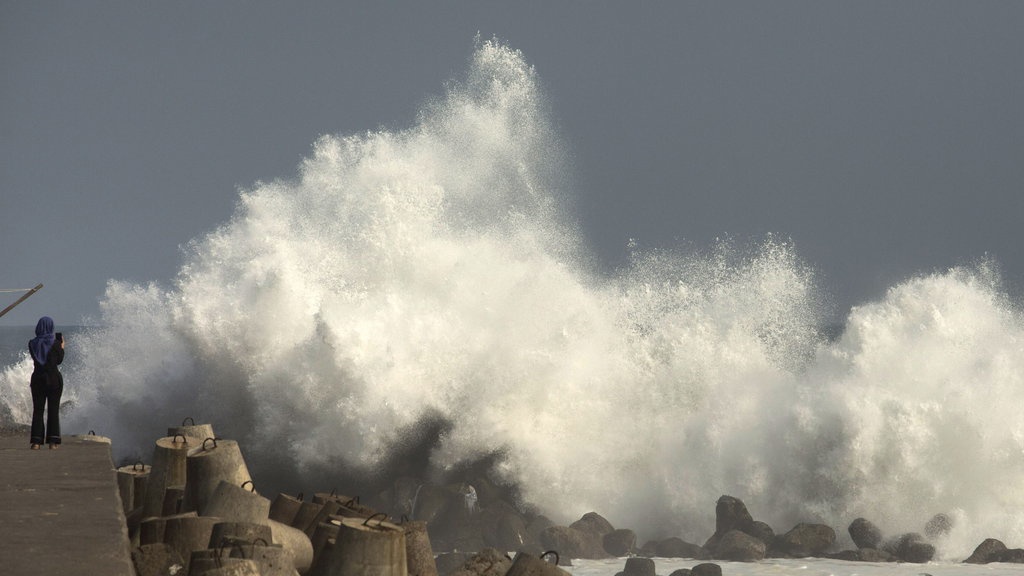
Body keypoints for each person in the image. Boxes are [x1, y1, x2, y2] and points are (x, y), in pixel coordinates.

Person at [28, 316, 64, 450]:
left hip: (38, 379)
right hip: (54, 379)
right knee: (53, 410)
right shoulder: (55, 343)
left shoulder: (32, 343)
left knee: (38, 410)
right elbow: (59, 360)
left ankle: (36, 442)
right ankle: (53, 442)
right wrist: (62, 346)